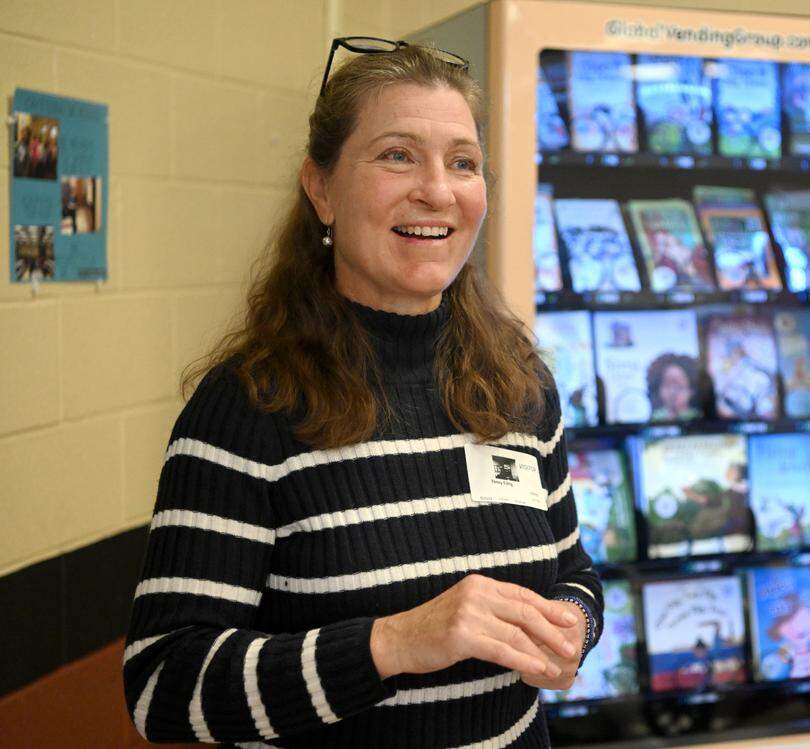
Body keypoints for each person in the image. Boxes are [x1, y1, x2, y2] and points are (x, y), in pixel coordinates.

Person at [122, 39, 603, 748]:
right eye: (397, 155)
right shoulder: (249, 406)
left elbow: (574, 570)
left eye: (462, 162)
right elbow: (164, 685)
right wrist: (392, 644)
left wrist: (573, 622)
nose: (437, 190)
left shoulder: (518, 383)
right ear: (321, 188)